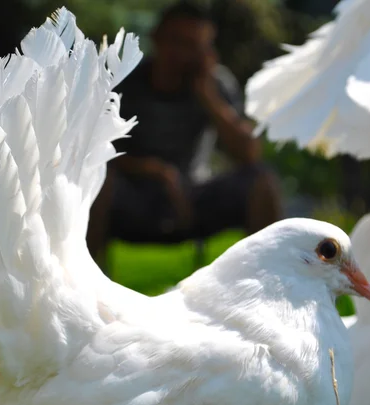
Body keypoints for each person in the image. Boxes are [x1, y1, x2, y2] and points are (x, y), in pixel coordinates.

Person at [87, 0, 282, 266]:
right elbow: (93, 149)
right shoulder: (126, 84)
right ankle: (84, 291)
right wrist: (153, 170)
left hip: (194, 195)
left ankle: (270, 285)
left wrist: (208, 97)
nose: (184, 55)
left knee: (262, 183)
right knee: (95, 180)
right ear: (156, 39)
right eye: (177, 42)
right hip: (132, 194)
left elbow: (249, 153)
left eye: (195, 46)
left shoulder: (214, 84)